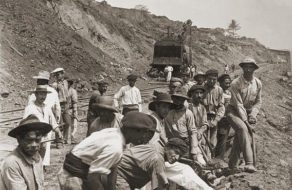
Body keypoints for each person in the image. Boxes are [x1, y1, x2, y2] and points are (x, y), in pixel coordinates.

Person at [58, 112, 157, 190]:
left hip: (83, 173)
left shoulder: (115, 134)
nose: (144, 137)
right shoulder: (115, 146)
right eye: (142, 132)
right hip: (72, 176)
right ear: (132, 130)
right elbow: (93, 177)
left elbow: (113, 170)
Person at [149, 92, 213, 190]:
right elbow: (153, 145)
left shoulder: (184, 114)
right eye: (163, 107)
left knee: (176, 177)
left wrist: (193, 148)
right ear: (156, 106)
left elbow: (193, 132)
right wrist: (167, 153)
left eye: (168, 107)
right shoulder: (153, 121)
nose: (166, 110)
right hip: (154, 160)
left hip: (178, 147)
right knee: (184, 171)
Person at [227, 58, 262, 173]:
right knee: (242, 128)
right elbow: (238, 105)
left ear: (254, 69)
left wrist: (253, 115)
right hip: (233, 111)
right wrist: (246, 122)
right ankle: (249, 163)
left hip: (248, 112)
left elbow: (258, 102)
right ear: (242, 68)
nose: (248, 69)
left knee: (239, 137)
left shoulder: (257, 83)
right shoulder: (235, 83)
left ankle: (231, 166)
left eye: (250, 67)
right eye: (245, 67)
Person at [0, 114, 52, 190]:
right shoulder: (12, 163)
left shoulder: (36, 157)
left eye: (38, 140)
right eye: (29, 140)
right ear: (19, 140)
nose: (34, 145)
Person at [115, 138, 188, 190]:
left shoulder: (155, 147)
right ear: (168, 147)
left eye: (180, 155)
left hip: (115, 167)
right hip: (119, 176)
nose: (177, 157)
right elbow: (159, 187)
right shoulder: (158, 159)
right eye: (176, 152)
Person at [24, 85, 62, 167]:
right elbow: (24, 125)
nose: (43, 97)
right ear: (36, 95)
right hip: (33, 139)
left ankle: (40, 170)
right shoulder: (30, 108)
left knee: (42, 158)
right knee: (32, 159)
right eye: (41, 94)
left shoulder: (47, 107)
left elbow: (53, 122)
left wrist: (58, 131)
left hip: (45, 139)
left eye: (45, 95)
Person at [164, 90, 199, 163]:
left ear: (184, 101)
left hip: (184, 144)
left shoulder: (188, 113)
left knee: (185, 164)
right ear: (173, 99)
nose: (178, 102)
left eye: (181, 100)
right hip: (171, 143)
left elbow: (192, 132)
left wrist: (193, 150)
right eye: (176, 99)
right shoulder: (167, 112)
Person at [203, 69, 225, 154]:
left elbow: (221, 107)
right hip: (202, 117)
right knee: (202, 140)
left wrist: (216, 120)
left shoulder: (219, 90)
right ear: (206, 78)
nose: (212, 81)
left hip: (214, 118)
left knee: (212, 141)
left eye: (214, 79)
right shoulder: (201, 88)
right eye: (210, 79)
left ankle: (210, 158)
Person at [51, 67, 71, 148]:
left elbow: (67, 93)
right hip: (59, 104)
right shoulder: (54, 85)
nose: (60, 75)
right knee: (59, 123)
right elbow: (53, 96)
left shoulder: (65, 82)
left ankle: (65, 138)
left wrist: (68, 103)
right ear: (56, 75)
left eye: (61, 74)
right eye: (58, 74)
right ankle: (59, 141)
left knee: (68, 122)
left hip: (66, 105)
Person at [215, 74, 232, 159]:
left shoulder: (229, 92)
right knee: (220, 138)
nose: (228, 85)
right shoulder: (218, 91)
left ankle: (221, 157)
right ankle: (218, 157)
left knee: (225, 138)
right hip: (220, 118)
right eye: (226, 83)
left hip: (227, 118)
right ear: (220, 83)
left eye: (229, 83)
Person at [67, 78, 78, 144]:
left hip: (71, 109)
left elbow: (74, 102)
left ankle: (72, 138)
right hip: (65, 109)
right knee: (67, 124)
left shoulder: (72, 91)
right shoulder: (63, 91)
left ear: (70, 84)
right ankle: (65, 139)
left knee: (74, 124)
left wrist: (75, 111)